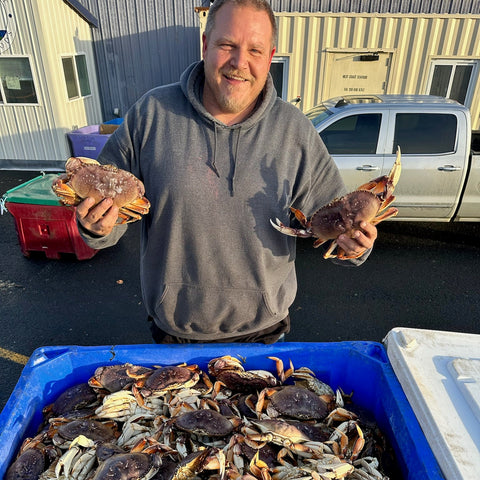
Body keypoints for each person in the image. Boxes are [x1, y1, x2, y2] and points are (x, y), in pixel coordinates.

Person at [76, 0, 378, 344]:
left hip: (264, 336)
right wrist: (95, 226)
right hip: (174, 335)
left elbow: (338, 221)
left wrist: (354, 246)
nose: (239, 63)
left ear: (270, 56)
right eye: (227, 45)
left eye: (255, 50)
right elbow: (107, 220)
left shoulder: (294, 131)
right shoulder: (151, 116)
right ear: (205, 45)